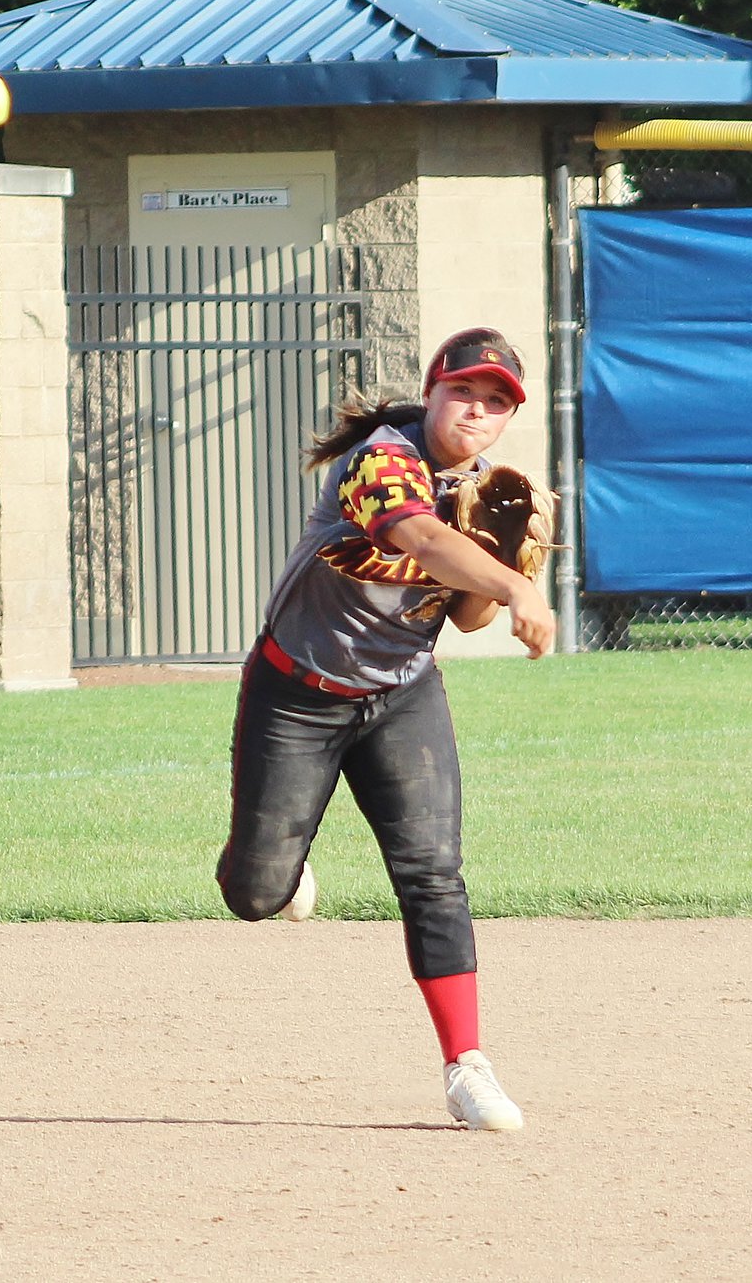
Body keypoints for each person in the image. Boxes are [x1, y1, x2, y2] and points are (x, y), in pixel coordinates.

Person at [216, 326, 555, 1130]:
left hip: (401, 696)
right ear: (432, 391)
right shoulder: (379, 456)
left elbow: (465, 618)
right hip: (296, 692)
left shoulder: (485, 489)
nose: (477, 409)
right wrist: (517, 587)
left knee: (434, 874)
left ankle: (466, 1067)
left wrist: (511, 553)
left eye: (496, 400)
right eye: (465, 390)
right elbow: (417, 537)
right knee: (255, 894)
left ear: (509, 417)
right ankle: (283, 867)